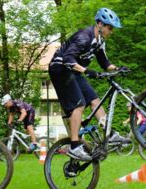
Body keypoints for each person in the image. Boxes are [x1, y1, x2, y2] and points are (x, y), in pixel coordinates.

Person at [49, 8, 127, 161]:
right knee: (79, 105)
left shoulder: (99, 42)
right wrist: (87, 71)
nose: (111, 31)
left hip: (74, 71)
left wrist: (118, 69)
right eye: (109, 28)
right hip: (59, 69)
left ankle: (109, 134)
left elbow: (105, 63)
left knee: (95, 101)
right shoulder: (84, 37)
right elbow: (67, 59)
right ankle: (74, 146)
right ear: (99, 24)